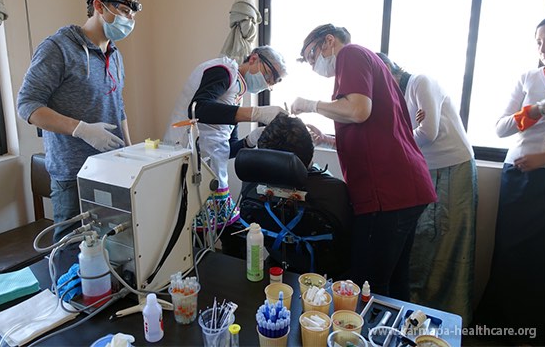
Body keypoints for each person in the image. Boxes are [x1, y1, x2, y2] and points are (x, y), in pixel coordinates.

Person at [291, 24, 437, 300]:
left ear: (328, 42)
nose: (313, 66)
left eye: (312, 57)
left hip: (388, 193)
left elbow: (359, 111)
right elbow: (374, 130)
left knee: (365, 286)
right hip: (405, 188)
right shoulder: (368, 67)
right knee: (393, 283)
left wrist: (311, 105)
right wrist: (327, 139)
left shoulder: (352, 55)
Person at [17, 0, 142, 242]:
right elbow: (27, 104)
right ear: (99, 6)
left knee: (114, 249)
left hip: (112, 170)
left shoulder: (114, 54)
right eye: (123, 10)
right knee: (71, 255)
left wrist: (131, 152)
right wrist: (81, 129)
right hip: (73, 175)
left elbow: (118, 106)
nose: (129, 19)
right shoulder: (59, 48)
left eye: (133, 13)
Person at [376, 53, 478, 324]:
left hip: (452, 167)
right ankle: (418, 313)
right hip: (425, 169)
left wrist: (408, 132)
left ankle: (449, 319)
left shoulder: (420, 82)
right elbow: (408, 134)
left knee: (446, 242)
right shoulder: (396, 98)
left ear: (387, 68)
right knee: (422, 241)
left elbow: (428, 132)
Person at [474, 16, 545, 346]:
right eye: (539, 42)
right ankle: (496, 328)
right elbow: (501, 127)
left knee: (542, 258)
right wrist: (537, 110)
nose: (544, 48)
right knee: (508, 253)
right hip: (517, 179)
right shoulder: (528, 78)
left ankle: (534, 332)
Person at [163, 46, 288, 234]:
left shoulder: (236, 95)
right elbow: (198, 109)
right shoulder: (223, 71)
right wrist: (256, 113)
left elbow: (228, 149)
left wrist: (252, 139)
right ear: (254, 58)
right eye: (269, 75)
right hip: (188, 159)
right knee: (190, 234)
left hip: (211, 169)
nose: (268, 83)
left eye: (273, 82)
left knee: (214, 233)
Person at [221, 112, 352, 277]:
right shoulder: (334, 191)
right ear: (309, 150)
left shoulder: (251, 186)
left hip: (278, 267)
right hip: (323, 279)